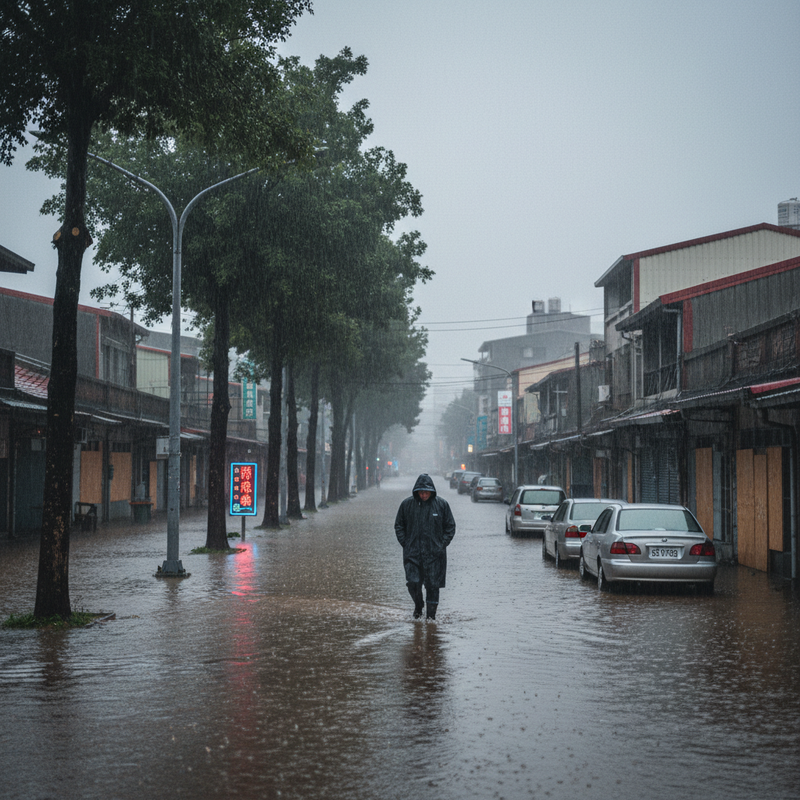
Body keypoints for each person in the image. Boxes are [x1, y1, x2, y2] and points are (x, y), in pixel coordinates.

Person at [394, 473, 456, 620]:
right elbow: (399, 525)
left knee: (433, 586)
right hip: (413, 554)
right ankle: (418, 604)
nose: (423, 495)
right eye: (421, 492)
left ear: (431, 491)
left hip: (435, 555)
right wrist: (406, 543)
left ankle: (431, 618)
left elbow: (450, 527)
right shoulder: (407, 505)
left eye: (426, 492)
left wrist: (441, 544)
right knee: (413, 582)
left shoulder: (441, 505)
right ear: (416, 491)